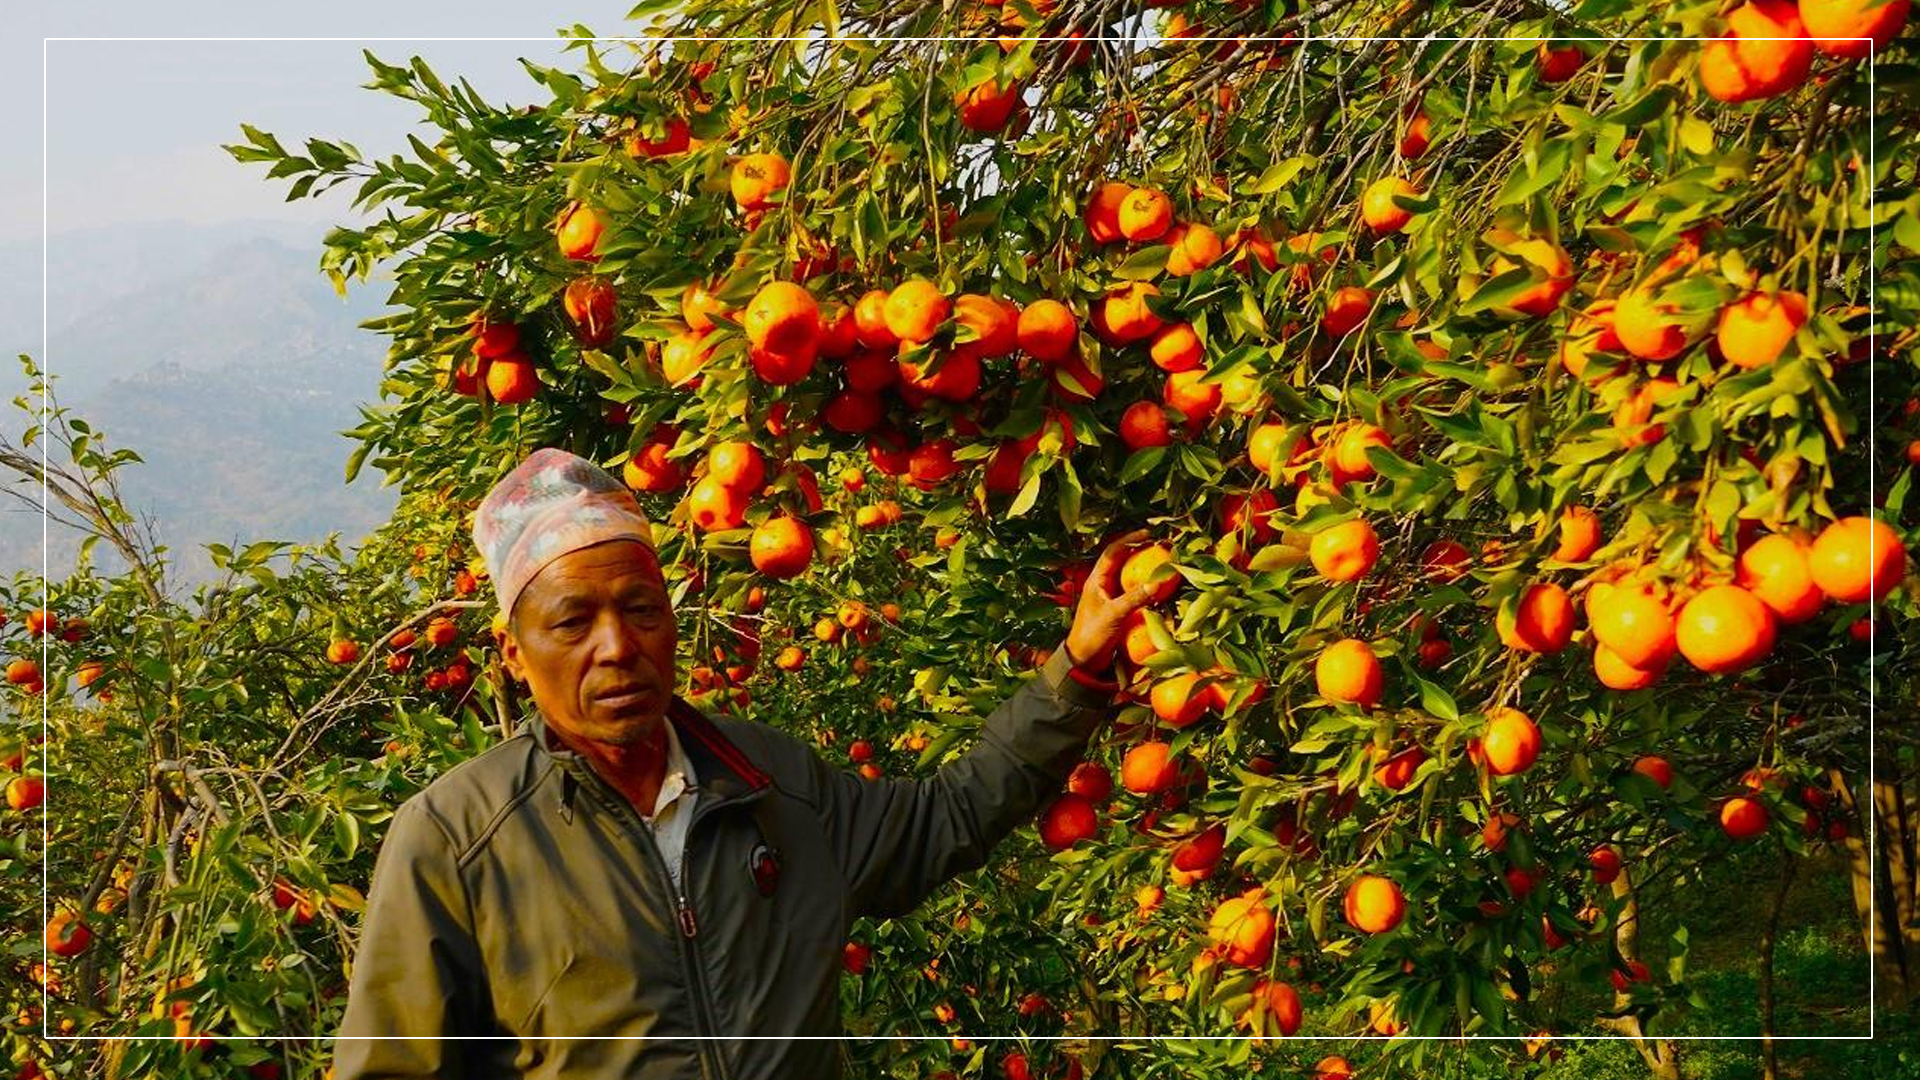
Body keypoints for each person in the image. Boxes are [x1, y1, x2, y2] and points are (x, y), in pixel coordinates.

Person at [333, 447, 1158, 1079]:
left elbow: (946, 818)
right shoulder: (456, 841)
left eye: (641, 610)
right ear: (514, 654)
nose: (616, 648)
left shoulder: (770, 782)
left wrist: (1078, 668)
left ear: (673, 622)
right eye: (573, 622)